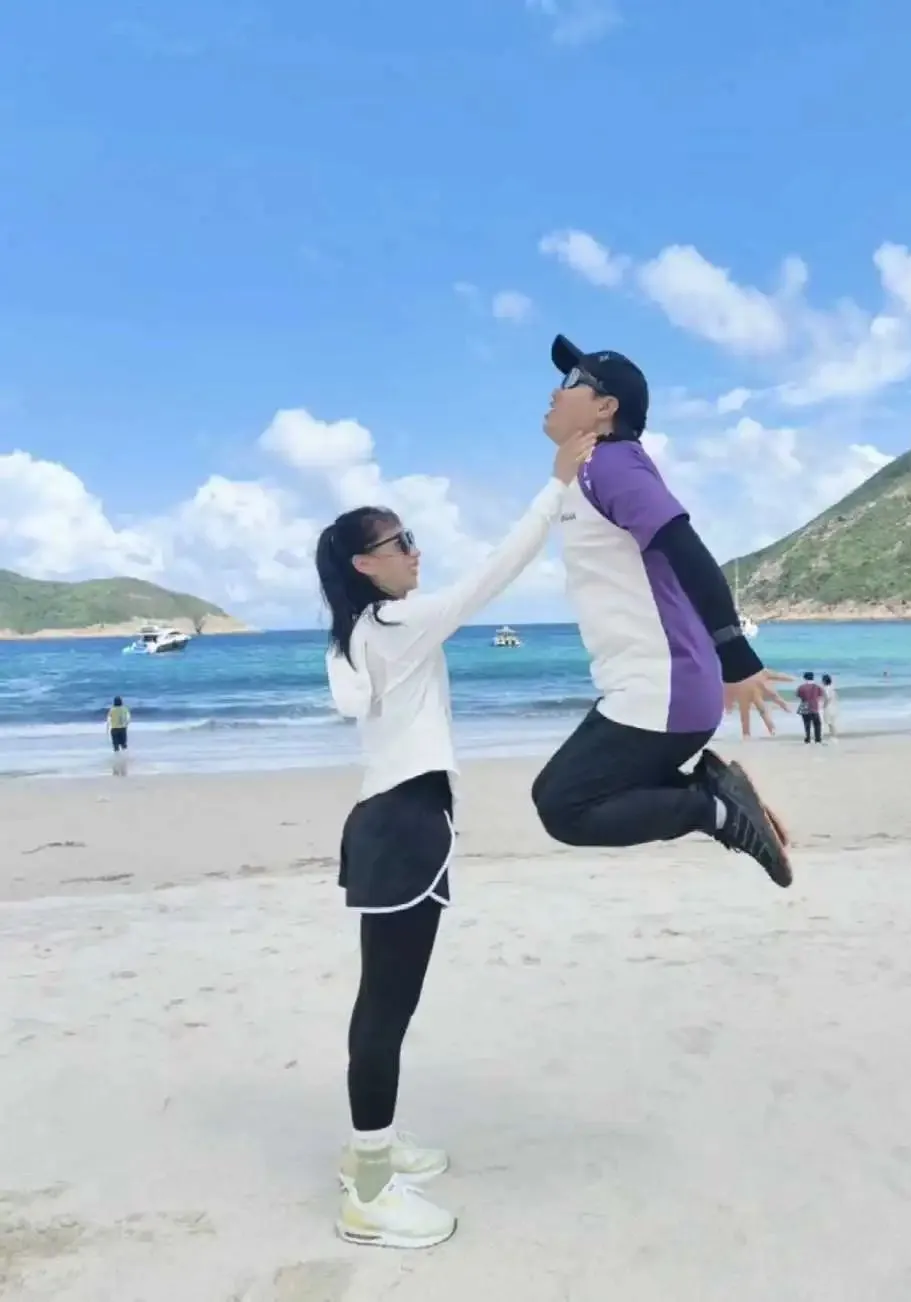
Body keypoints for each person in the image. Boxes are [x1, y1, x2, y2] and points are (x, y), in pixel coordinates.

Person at [317, 430, 594, 1251]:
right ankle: (369, 1190)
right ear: (365, 563)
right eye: (399, 541)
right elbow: (492, 575)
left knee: (386, 1003)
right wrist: (555, 487)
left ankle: (369, 1147)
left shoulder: (362, 629)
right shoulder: (397, 622)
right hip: (403, 827)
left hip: (398, 822)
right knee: (386, 1007)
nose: (415, 550)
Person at [530, 336, 793, 887]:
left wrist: (737, 658)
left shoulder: (612, 464)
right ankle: (718, 798)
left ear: (606, 407)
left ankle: (715, 810)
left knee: (564, 805)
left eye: (573, 382)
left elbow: (686, 550)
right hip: (647, 686)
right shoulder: (585, 472)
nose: (555, 392)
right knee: (562, 797)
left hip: (663, 688)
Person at [795, 672, 825, 744]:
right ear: (813, 677)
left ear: (805, 678)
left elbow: (798, 695)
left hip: (804, 706)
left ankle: (808, 738)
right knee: (817, 724)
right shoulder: (817, 687)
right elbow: (821, 695)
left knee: (807, 724)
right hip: (814, 706)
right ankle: (818, 739)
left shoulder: (801, 687)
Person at [106, 696, 130, 773]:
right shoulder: (124, 709)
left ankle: (117, 759)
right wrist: (126, 724)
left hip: (114, 729)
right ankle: (125, 758)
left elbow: (108, 720)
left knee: (115, 745)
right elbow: (128, 718)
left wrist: (107, 728)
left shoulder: (112, 710)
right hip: (123, 728)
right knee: (124, 744)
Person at [821, 672, 839, 740]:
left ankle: (833, 735)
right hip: (834, 706)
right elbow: (835, 697)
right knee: (831, 721)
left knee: (829, 722)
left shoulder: (826, 688)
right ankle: (833, 734)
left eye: (822, 680)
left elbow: (827, 698)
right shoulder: (832, 687)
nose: (822, 681)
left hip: (829, 707)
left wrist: (824, 706)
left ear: (824, 681)